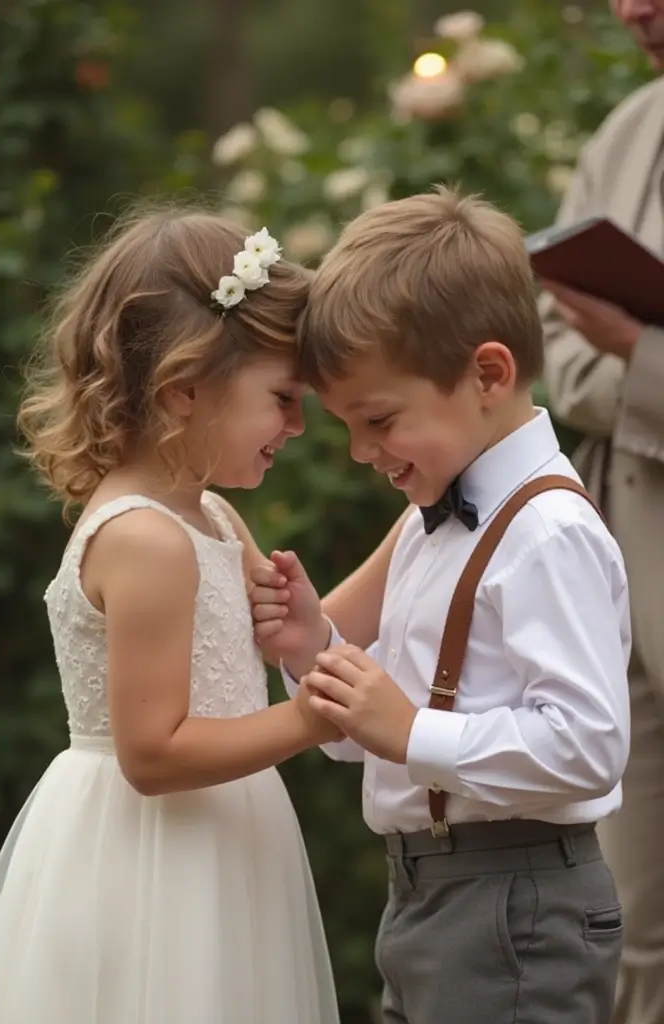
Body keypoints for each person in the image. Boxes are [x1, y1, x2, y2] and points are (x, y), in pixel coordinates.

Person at [250, 188, 632, 1024]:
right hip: (430, 895)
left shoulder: (545, 532)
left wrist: (412, 730)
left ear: (488, 374)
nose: (359, 452)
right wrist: (316, 645)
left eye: (379, 419)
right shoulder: (434, 520)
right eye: (347, 424)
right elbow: (384, 732)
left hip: (521, 903)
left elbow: (590, 744)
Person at [0, 208, 340, 1024]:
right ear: (183, 392)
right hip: (152, 856)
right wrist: (309, 716)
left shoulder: (211, 518)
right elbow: (155, 753)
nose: (299, 426)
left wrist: (281, 617)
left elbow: (226, 656)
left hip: (225, 834)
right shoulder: (146, 539)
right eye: (282, 398)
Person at [540, 3, 664, 1021]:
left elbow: (603, 352)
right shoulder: (622, 132)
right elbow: (552, 338)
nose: (633, 9)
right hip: (620, 590)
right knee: (629, 921)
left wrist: (637, 350)